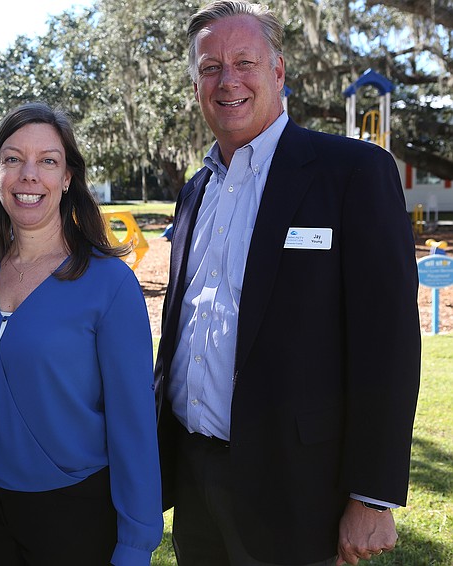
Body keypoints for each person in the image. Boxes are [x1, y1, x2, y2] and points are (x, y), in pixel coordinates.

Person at [154, 2, 421, 565]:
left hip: (299, 489)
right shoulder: (195, 189)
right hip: (194, 479)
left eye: (244, 62)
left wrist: (371, 495)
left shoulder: (351, 173)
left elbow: (388, 344)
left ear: (278, 73)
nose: (227, 81)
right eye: (209, 67)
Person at [0, 101, 163, 566]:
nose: (29, 175)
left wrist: (137, 541)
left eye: (48, 161)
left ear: (67, 177)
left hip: (76, 512)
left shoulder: (108, 282)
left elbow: (134, 424)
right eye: (13, 159)